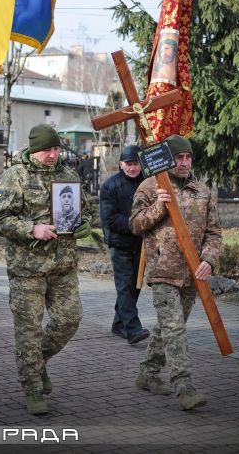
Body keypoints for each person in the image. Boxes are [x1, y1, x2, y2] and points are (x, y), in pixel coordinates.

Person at [0, 123, 91, 415]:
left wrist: (83, 224)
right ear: (34, 150)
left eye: (56, 149)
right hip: (27, 269)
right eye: (47, 150)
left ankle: (38, 361)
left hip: (63, 266)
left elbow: (86, 210)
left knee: (69, 320)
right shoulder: (15, 176)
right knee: (29, 331)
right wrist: (32, 228)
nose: (53, 155)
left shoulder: (68, 175)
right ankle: (32, 387)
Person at [129, 135, 221, 411]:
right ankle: (184, 387)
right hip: (162, 271)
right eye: (178, 157)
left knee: (167, 327)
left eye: (187, 157)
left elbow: (214, 233)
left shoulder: (202, 191)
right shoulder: (149, 187)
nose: (183, 163)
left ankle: (147, 373)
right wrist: (159, 205)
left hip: (194, 274)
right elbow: (134, 224)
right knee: (174, 328)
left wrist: (209, 259)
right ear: (169, 159)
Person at [100, 145, 149, 344]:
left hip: (141, 244)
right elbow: (109, 219)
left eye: (136, 163)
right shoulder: (110, 186)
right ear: (121, 164)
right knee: (124, 286)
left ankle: (119, 324)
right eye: (129, 164)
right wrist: (136, 224)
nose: (133, 168)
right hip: (119, 243)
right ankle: (133, 328)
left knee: (134, 286)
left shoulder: (147, 182)